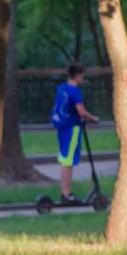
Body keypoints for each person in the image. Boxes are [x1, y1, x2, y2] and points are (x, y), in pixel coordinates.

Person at [51, 63, 99, 202]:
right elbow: (82, 112)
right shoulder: (75, 91)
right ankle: (67, 194)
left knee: (65, 159)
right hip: (72, 128)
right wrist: (94, 119)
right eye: (82, 75)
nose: (82, 78)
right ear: (77, 76)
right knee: (69, 161)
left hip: (62, 128)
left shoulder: (62, 89)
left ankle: (64, 192)